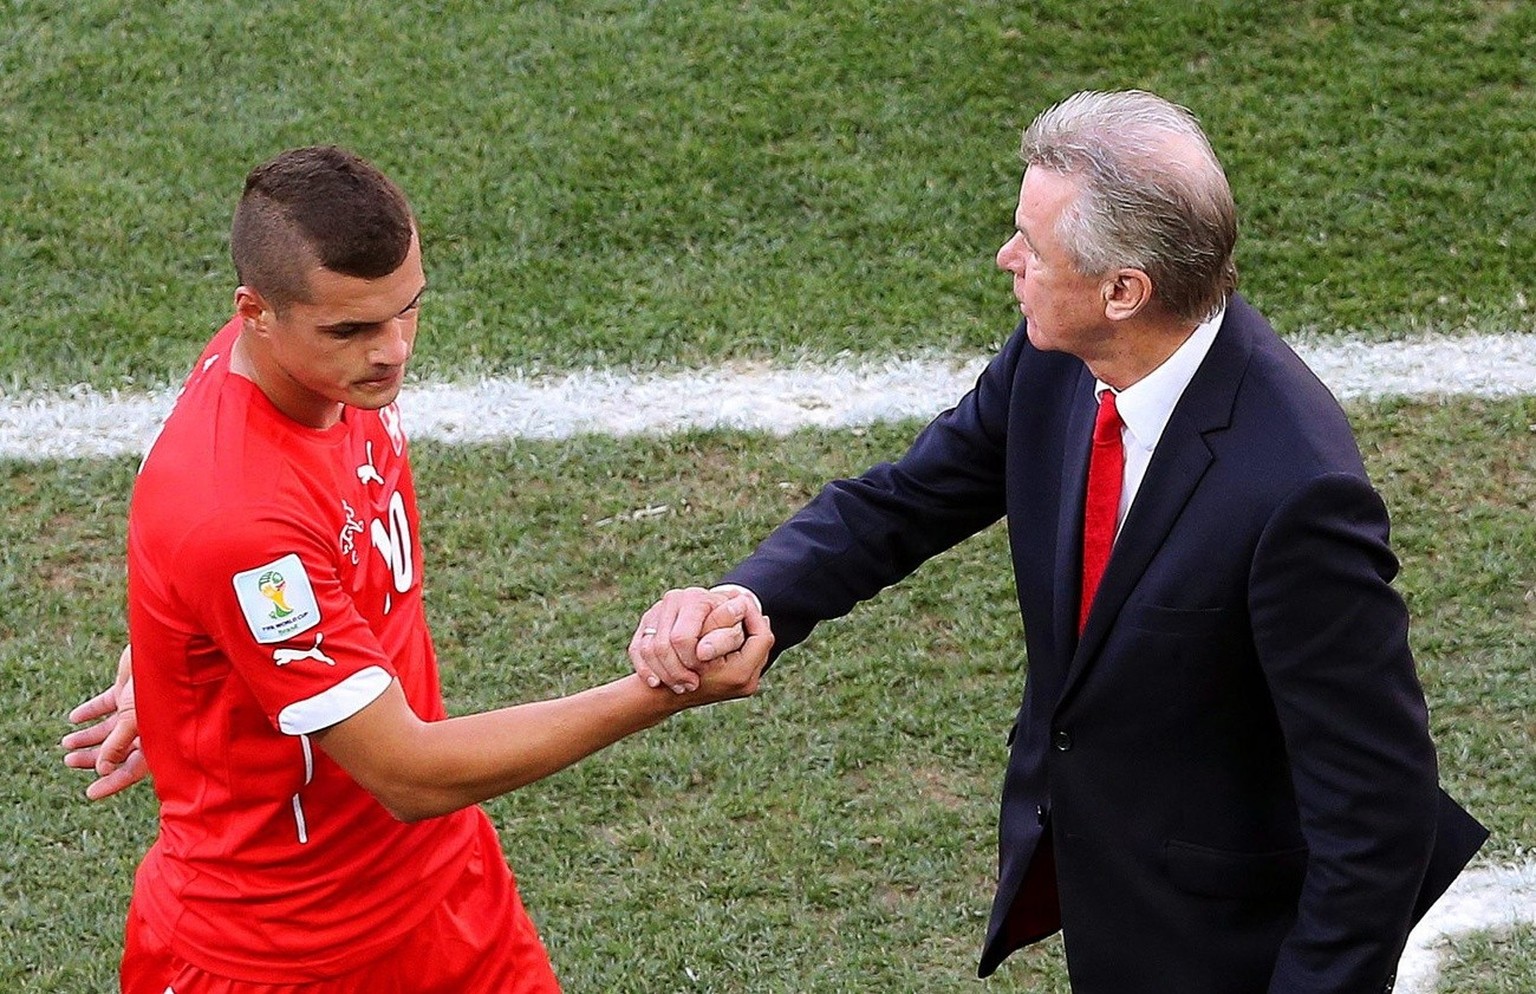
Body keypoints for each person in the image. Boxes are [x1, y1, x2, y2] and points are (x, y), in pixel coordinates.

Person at [628, 90, 1487, 994]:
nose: (1007, 261)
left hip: (1226, 932)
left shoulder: (1299, 493)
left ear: (1124, 290)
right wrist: (752, 596)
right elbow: (908, 497)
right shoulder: (1058, 354)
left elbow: (1376, 808)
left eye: (1031, 249)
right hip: (1111, 882)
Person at [60, 145, 772, 993]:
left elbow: (200, 568)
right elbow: (406, 773)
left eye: (408, 311)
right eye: (352, 330)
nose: (391, 351)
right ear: (254, 313)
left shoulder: (321, 375)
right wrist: (664, 690)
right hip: (281, 957)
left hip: (451, 897)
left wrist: (171, 661)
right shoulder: (239, 512)